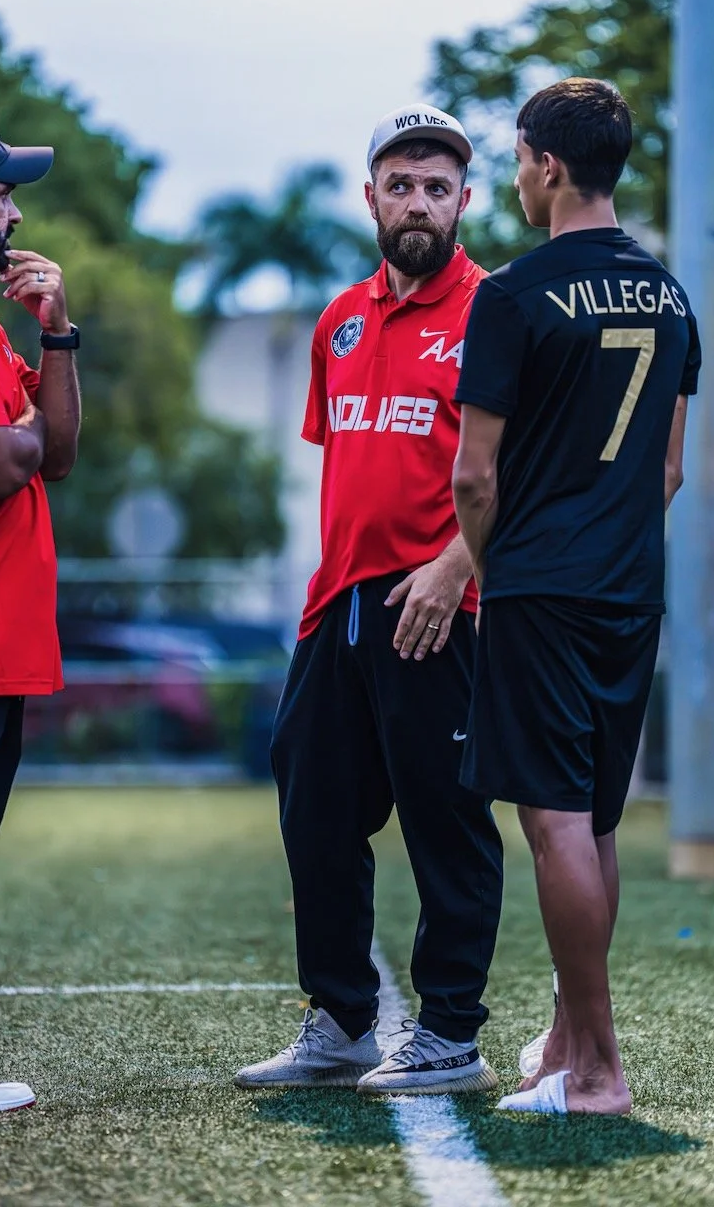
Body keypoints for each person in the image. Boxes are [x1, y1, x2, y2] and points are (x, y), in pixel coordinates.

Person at [234, 104, 503, 1096]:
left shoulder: (494, 313)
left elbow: (513, 465)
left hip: (440, 604)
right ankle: (341, 1017)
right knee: (312, 806)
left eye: (437, 186)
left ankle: (448, 1032)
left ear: (463, 200)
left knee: (445, 818)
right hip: (338, 605)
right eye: (402, 184)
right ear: (371, 197)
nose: (419, 202)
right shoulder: (338, 318)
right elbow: (346, 463)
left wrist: (452, 565)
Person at [452, 78, 700, 1116]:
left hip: (541, 587)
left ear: (547, 165)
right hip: (626, 586)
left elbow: (473, 475)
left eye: (514, 160)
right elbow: (669, 472)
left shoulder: (508, 293)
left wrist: (489, 562)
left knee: (552, 824)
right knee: (591, 819)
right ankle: (563, 1038)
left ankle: (596, 1070)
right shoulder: (670, 293)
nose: (513, 178)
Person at [0, 125, 81, 1113]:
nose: (15, 209)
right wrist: (22, 427)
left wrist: (57, 330)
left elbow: (54, 451)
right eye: (1, 191)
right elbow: (1, 461)